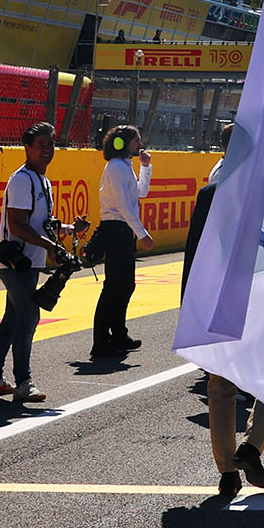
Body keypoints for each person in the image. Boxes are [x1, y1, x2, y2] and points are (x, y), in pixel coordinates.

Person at [180, 178, 264, 500]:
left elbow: (193, 256)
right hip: (262, 298)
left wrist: (190, 307)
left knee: (220, 388)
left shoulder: (210, 193)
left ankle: (226, 472)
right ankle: (251, 445)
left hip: (219, 301)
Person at [0, 122, 81, 403]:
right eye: (41, 145)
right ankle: (24, 382)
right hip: (15, 262)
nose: (47, 150)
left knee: (12, 319)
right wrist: (52, 247)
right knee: (28, 317)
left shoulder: (43, 180)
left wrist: (69, 229)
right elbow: (17, 225)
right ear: (27, 148)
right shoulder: (22, 180)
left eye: (51, 144)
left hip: (29, 261)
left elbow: (42, 222)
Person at [90, 125, 154, 358]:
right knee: (113, 288)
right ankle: (101, 340)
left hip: (123, 230)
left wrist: (145, 167)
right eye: (136, 140)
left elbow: (141, 193)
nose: (140, 144)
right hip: (116, 229)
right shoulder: (116, 167)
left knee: (125, 285)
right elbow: (124, 206)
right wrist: (142, 233)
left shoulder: (125, 166)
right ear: (122, 143)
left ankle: (118, 334)